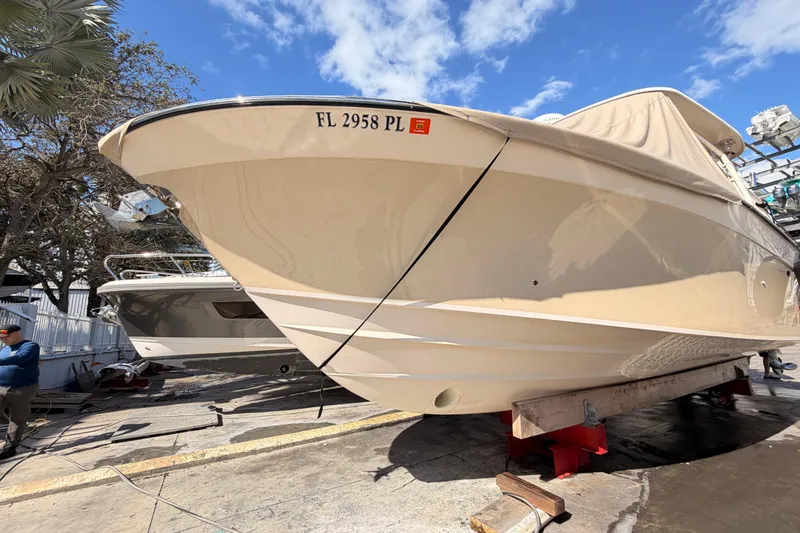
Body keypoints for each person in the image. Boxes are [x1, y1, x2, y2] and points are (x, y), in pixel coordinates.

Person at [0, 324, 40, 460]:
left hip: (22, 388)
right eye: (1, 338)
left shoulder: (30, 346)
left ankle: (10, 447)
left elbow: (21, 358)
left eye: (6, 337)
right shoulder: (4, 349)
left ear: (17, 333)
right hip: (1, 388)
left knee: (17, 418)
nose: (3, 340)